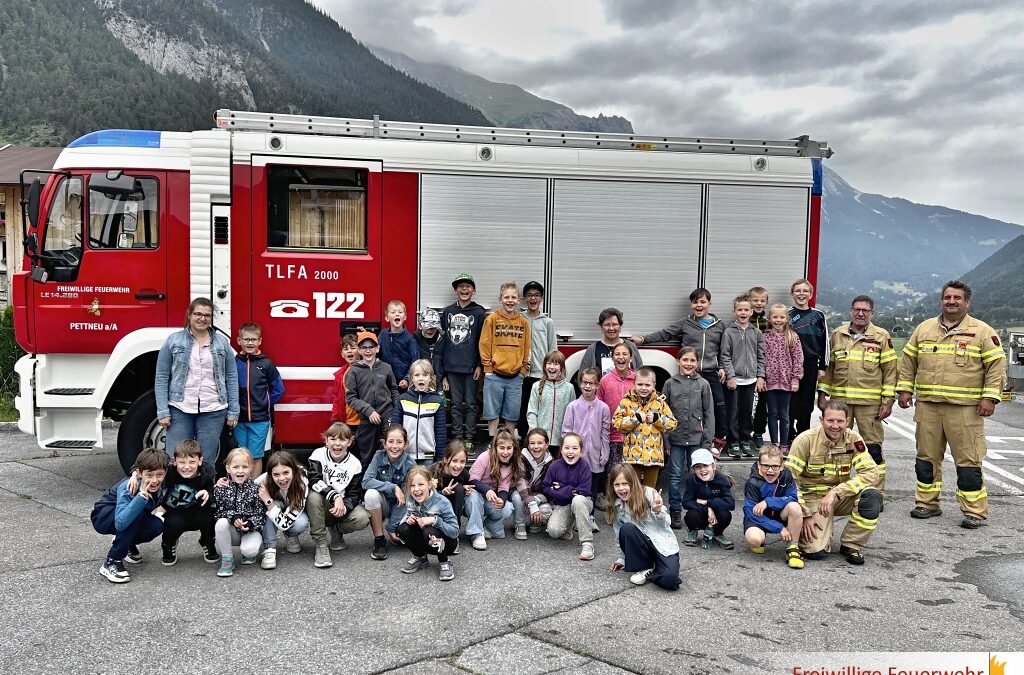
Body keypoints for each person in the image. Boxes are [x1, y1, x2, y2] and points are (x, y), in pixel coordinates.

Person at [897, 280, 1006, 529]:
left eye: (957, 298)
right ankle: (927, 504)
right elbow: (908, 363)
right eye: (947, 297)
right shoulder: (924, 330)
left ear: (967, 302)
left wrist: (989, 397)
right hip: (928, 407)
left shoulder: (982, 332)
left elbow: (996, 368)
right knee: (925, 459)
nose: (952, 302)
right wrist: (904, 390)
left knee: (968, 462)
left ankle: (974, 511)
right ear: (942, 300)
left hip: (965, 408)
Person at [631, 287, 727, 453]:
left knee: (718, 405)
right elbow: (665, 333)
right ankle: (681, 439)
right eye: (695, 302)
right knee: (685, 407)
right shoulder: (686, 323)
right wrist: (644, 339)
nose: (699, 305)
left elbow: (725, 349)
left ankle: (717, 440)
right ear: (691, 305)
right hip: (690, 374)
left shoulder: (719, 326)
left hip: (711, 371)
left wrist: (723, 367)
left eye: (703, 302)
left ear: (709, 304)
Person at [784, 401, 881, 565]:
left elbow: (871, 472)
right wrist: (805, 515)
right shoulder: (805, 440)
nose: (835, 426)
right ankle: (803, 529)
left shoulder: (853, 439)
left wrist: (837, 492)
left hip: (838, 497)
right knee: (815, 553)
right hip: (811, 500)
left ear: (848, 421)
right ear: (821, 420)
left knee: (872, 497)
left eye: (840, 421)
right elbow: (789, 480)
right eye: (830, 421)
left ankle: (851, 544)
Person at [817, 295, 897, 493]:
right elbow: (829, 368)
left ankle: (874, 492)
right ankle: (836, 491)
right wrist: (822, 394)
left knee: (872, 449)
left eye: (865, 310)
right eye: (857, 309)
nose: (860, 313)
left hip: (869, 405)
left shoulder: (881, 336)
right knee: (836, 446)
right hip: (840, 404)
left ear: (872, 313)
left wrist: (888, 401)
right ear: (851, 311)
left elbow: (890, 371)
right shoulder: (837, 334)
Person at [155, 297, 239, 465]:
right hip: (180, 408)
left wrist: (233, 411)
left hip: (214, 409)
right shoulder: (173, 341)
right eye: (198, 314)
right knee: (176, 458)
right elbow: (161, 376)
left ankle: (204, 491)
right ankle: (176, 492)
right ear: (190, 315)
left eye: (207, 315)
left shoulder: (222, 343)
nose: (202, 318)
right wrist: (162, 411)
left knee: (206, 460)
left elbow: (231, 376)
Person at [91, 448, 167, 584]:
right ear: (139, 473)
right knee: (134, 515)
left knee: (157, 525)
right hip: (104, 515)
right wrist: (140, 498)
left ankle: (127, 544)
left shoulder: (162, 480)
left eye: (159, 475)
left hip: (128, 515)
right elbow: (120, 522)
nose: (155, 480)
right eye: (149, 475)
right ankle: (111, 561)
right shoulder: (130, 486)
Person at [606, 463, 681, 591]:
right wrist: (622, 558)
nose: (621, 488)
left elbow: (666, 523)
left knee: (670, 581)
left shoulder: (649, 493)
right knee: (627, 528)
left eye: (625, 483)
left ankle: (655, 569)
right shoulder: (616, 504)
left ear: (633, 482)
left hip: (662, 545)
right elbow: (619, 534)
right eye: (617, 485)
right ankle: (645, 567)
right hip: (642, 548)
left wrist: (657, 511)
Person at [662, 347, 714, 530]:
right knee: (675, 477)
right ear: (678, 361)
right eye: (685, 360)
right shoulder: (670, 383)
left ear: (697, 363)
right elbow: (664, 413)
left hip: (696, 440)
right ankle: (675, 510)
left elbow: (709, 414)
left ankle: (697, 510)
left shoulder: (703, 384)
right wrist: (666, 440)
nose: (688, 364)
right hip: (676, 440)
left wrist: (707, 442)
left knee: (697, 476)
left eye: (692, 360)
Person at [307, 422, 371, 569]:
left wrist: (343, 507)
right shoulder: (318, 454)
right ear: (326, 440)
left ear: (349, 442)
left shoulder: (355, 464)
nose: (337, 443)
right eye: (333, 439)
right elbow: (314, 480)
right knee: (314, 496)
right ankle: (321, 544)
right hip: (322, 503)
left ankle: (336, 531)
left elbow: (355, 494)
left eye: (342, 439)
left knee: (362, 518)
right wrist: (335, 497)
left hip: (341, 506)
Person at [439, 273, 487, 449]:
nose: (464, 289)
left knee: (471, 404)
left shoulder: (479, 313)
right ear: (455, 290)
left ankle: (469, 438)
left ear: (473, 290)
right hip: (451, 368)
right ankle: (458, 436)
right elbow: (442, 342)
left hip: (471, 368)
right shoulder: (448, 311)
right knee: (455, 404)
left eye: (468, 286)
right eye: (460, 287)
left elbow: (483, 341)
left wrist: (480, 365)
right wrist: (443, 374)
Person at [480, 282, 532, 438]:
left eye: (513, 297)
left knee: (512, 413)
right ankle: (493, 441)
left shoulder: (523, 322)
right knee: (492, 412)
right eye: (506, 297)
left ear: (518, 300)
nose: (510, 300)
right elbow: (484, 344)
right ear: (500, 299)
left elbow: (527, 347)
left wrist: (523, 370)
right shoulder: (492, 319)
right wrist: (488, 369)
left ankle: (508, 442)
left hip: (515, 377)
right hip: (494, 375)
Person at [611, 366, 677, 488]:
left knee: (650, 491)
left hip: (654, 457)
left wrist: (657, 419)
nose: (643, 388)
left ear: (654, 385)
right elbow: (616, 423)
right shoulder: (626, 402)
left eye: (647, 385)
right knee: (633, 490)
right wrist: (635, 419)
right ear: (634, 383)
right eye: (640, 384)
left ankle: (649, 507)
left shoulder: (660, 403)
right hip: (632, 456)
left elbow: (672, 424)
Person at [234, 322, 285, 477]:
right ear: (238, 340)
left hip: (260, 419)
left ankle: (253, 489)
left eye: (254, 339)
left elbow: (279, 388)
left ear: (260, 341)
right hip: (239, 419)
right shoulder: (233, 363)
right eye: (246, 339)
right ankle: (240, 487)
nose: (250, 343)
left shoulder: (266, 363)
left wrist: (266, 404)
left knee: (256, 456)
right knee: (240, 456)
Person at [466, 428, 530, 549]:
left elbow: (503, 488)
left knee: (507, 508)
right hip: (475, 496)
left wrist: (502, 500)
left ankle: (485, 525)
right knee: (473, 495)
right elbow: (472, 480)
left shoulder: (511, 463)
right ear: (495, 447)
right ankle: (476, 533)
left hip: (489, 499)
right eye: (502, 448)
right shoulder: (485, 457)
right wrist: (487, 490)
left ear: (514, 448)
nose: (505, 452)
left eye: (509, 448)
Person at [743, 444, 804, 569]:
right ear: (759, 465)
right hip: (758, 518)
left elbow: (792, 497)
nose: (770, 470)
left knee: (795, 507)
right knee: (754, 540)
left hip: (779, 514)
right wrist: (779, 528)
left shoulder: (786, 475)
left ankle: (793, 548)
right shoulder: (752, 482)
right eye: (766, 465)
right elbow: (750, 512)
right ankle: (761, 538)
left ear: (782, 466)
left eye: (775, 466)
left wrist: (768, 502)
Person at [346, 330, 400, 469]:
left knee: (391, 450)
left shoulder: (386, 368)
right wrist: (368, 411)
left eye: (371, 347)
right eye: (364, 347)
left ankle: (390, 484)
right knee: (367, 456)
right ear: (359, 350)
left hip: (387, 415)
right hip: (366, 418)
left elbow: (393, 390)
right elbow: (351, 398)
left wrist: (398, 410)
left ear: (378, 348)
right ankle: (366, 488)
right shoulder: (354, 371)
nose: (368, 351)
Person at [158, 439, 217, 566]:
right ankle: (168, 544)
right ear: (174, 461)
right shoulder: (169, 471)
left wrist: (208, 494)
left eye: (192, 462)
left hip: (198, 512)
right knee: (172, 523)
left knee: (211, 514)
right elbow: (148, 463)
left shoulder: (207, 472)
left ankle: (207, 541)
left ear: (200, 461)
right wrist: (135, 474)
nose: (187, 467)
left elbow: (212, 491)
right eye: (182, 462)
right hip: (176, 512)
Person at [720, 295, 766, 458]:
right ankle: (733, 441)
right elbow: (725, 355)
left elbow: (761, 356)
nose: (743, 312)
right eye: (740, 309)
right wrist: (731, 376)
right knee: (733, 412)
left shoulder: (757, 332)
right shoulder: (728, 332)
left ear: (751, 312)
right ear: (734, 312)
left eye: (746, 310)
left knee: (747, 412)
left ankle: (745, 440)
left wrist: (760, 376)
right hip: (734, 381)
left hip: (751, 380)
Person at [362, 424, 416, 561]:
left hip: (403, 508)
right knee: (370, 495)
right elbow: (366, 481)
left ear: (405, 444)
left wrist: (392, 527)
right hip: (384, 505)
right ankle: (379, 539)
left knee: (403, 536)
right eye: (391, 441)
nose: (394, 446)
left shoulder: (410, 464)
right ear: (384, 444)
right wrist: (392, 487)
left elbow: (408, 498)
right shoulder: (379, 457)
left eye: (399, 442)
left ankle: (395, 528)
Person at [398, 466, 460, 581]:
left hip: (447, 542)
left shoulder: (442, 502)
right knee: (403, 529)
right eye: (412, 485)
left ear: (430, 485)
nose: (416, 489)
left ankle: (444, 561)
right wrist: (409, 520)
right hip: (424, 540)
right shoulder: (411, 500)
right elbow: (406, 518)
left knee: (429, 530)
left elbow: (455, 531)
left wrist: (434, 520)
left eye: (421, 484)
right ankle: (420, 557)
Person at [561, 367, 610, 511]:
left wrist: (604, 453)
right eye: (584, 382)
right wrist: (568, 452)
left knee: (592, 488)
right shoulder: (573, 407)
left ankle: (590, 515)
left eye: (591, 383)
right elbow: (566, 431)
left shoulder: (603, 408)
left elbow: (605, 433)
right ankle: (575, 515)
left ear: (597, 385)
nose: (587, 386)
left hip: (595, 455)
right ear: (579, 383)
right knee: (576, 487)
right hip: (577, 456)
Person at [542, 433, 595, 560]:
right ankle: (568, 527)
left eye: (575, 448)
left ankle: (587, 543)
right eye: (566, 448)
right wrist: (570, 491)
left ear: (581, 451)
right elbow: (546, 487)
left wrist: (562, 489)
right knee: (554, 531)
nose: (570, 452)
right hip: (563, 503)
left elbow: (584, 491)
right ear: (561, 450)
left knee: (577, 500)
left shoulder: (584, 467)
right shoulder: (554, 466)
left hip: (584, 502)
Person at [213, 447, 265, 577]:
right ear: (228, 468)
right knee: (220, 524)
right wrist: (233, 517)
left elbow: (261, 515)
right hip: (233, 532)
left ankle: (246, 552)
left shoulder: (256, 489)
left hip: (250, 531)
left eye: (244, 467)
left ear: (251, 468)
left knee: (250, 551)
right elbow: (218, 513)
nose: (240, 471)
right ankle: (227, 559)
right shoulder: (222, 488)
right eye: (235, 467)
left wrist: (250, 523)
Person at [788, 279, 829, 441]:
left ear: (811, 294)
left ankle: (803, 435)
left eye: (805, 291)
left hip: (811, 364)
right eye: (798, 291)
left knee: (806, 403)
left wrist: (823, 367)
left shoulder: (818, 315)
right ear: (792, 294)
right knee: (790, 402)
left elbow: (825, 341)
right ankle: (789, 435)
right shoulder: (786, 314)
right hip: (789, 365)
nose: (801, 294)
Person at [255, 451, 309, 571]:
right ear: (270, 474)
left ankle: (291, 535)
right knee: (274, 504)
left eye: (286, 472)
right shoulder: (265, 478)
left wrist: (268, 500)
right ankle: (269, 548)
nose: (282, 478)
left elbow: (284, 525)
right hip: (278, 506)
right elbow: (245, 487)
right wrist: (224, 484)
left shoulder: (302, 481)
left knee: (302, 523)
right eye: (276, 475)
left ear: (293, 470)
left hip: (290, 511)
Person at [518, 281, 558, 438]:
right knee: (523, 408)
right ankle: (523, 439)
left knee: (540, 408)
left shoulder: (547, 322)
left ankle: (539, 440)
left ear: (541, 298)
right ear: (524, 298)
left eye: (536, 295)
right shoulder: (519, 319)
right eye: (529, 295)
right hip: (521, 374)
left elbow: (553, 349)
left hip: (540, 375)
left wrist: (551, 371)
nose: (532, 299)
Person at [390, 359, 447, 464]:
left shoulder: (437, 402)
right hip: (405, 455)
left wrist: (440, 460)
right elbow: (395, 428)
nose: (421, 378)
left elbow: (440, 433)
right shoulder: (403, 400)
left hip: (428, 456)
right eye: (417, 375)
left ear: (431, 378)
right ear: (412, 378)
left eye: (425, 375)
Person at [763, 304, 804, 452]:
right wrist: (762, 377)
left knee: (784, 414)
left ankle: (784, 444)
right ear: (769, 318)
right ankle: (774, 443)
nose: (778, 320)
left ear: (787, 319)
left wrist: (795, 379)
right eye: (775, 317)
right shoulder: (765, 337)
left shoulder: (792, 336)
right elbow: (761, 358)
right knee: (772, 413)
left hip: (787, 382)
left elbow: (798, 359)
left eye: (781, 317)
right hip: (770, 382)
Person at [681, 448, 736, 549]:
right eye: (698, 467)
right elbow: (686, 502)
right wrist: (708, 509)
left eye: (706, 465)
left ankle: (718, 533)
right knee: (691, 515)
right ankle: (692, 531)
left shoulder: (722, 480)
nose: (702, 470)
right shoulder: (691, 481)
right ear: (693, 470)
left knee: (726, 514)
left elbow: (730, 504)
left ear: (713, 466)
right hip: (701, 514)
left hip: (717, 517)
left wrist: (708, 502)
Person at [526, 350, 574, 455]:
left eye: (556, 364)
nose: (552, 367)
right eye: (549, 363)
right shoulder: (536, 386)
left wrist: (567, 437)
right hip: (540, 442)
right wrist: (535, 435)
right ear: (544, 366)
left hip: (560, 441)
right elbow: (532, 412)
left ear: (562, 368)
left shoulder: (569, 388)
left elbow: (572, 415)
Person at [597, 343, 636, 471]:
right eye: (617, 354)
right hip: (612, 437)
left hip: (634, 437)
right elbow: (599, 408)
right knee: (614, 475)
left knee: (632, 476)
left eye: (625, 354)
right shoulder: (605, 380)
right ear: (612, 358)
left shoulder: (637, 380)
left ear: (630, 358)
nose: (621, 357)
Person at [576, 307, 643, 379]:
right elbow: (581, 378)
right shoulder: (593, 349)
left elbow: (641, 375)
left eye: (614, 324)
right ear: (601, 327)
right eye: (607, 325)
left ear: (620, 327)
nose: (611, 328)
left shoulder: (631, 347)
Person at [433, 440, 474, 534]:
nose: (458, 466)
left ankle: (454, 530)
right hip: (436, 506)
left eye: (462, 462)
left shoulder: (464, 474)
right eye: (454, 461)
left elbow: (466, 488)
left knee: (459, 488)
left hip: (455, 507)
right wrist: (441, 493)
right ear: (446, 459)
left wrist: (466, 489)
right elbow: (426, 495)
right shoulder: (434, 470)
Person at [748, 287, 771, 449]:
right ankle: (743, 433)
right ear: (749, 301)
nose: (758, 303)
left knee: (763, 403)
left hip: (765, 368)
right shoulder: (744, 321)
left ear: (766, 303)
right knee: (746, 403)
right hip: (747, 366)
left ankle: (758, 433)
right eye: (755, 300)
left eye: (762, 301)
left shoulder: (769, 323)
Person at [378, 299, 418, 391]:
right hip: (385, 382)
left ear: (405, 317)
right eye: (393, 312)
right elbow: (376, 355)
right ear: (387, 318)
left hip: (403, 384)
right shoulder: (383, 335)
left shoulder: (410, 339)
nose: (397, 314)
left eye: (400, 312)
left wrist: (407, 379)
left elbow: (415, 361)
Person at [521, 428, 555, 532]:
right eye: (532, 443)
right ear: (528, 445)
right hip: (522, 496)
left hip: (538, 498)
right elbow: (521, 482)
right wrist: (531, 503)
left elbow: (549, 489)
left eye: (540, 443)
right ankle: (520, 524)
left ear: (547, 444)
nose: (536, 446)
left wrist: (536, 500)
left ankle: (536, 522)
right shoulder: (521, 459)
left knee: (546, 511)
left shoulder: (552, 464)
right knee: (517, 498)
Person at [331, 333, 360, 429]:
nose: (349, 351)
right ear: (342, 354)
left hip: (364, 422)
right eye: (346, 349)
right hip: (347, 422)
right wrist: (335, 420)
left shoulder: (367, 370)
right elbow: (336, 400)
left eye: (352, 347)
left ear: (360, 350)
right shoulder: (340, 375)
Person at [414, 308, 445, 379]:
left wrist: (445, 377)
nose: (430, 330)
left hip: (440, 380)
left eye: (433, 327)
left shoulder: (444, 339)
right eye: (428, 327)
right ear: (420, 326)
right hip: (421, 380)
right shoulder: (413, 340)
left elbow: (448, 360)